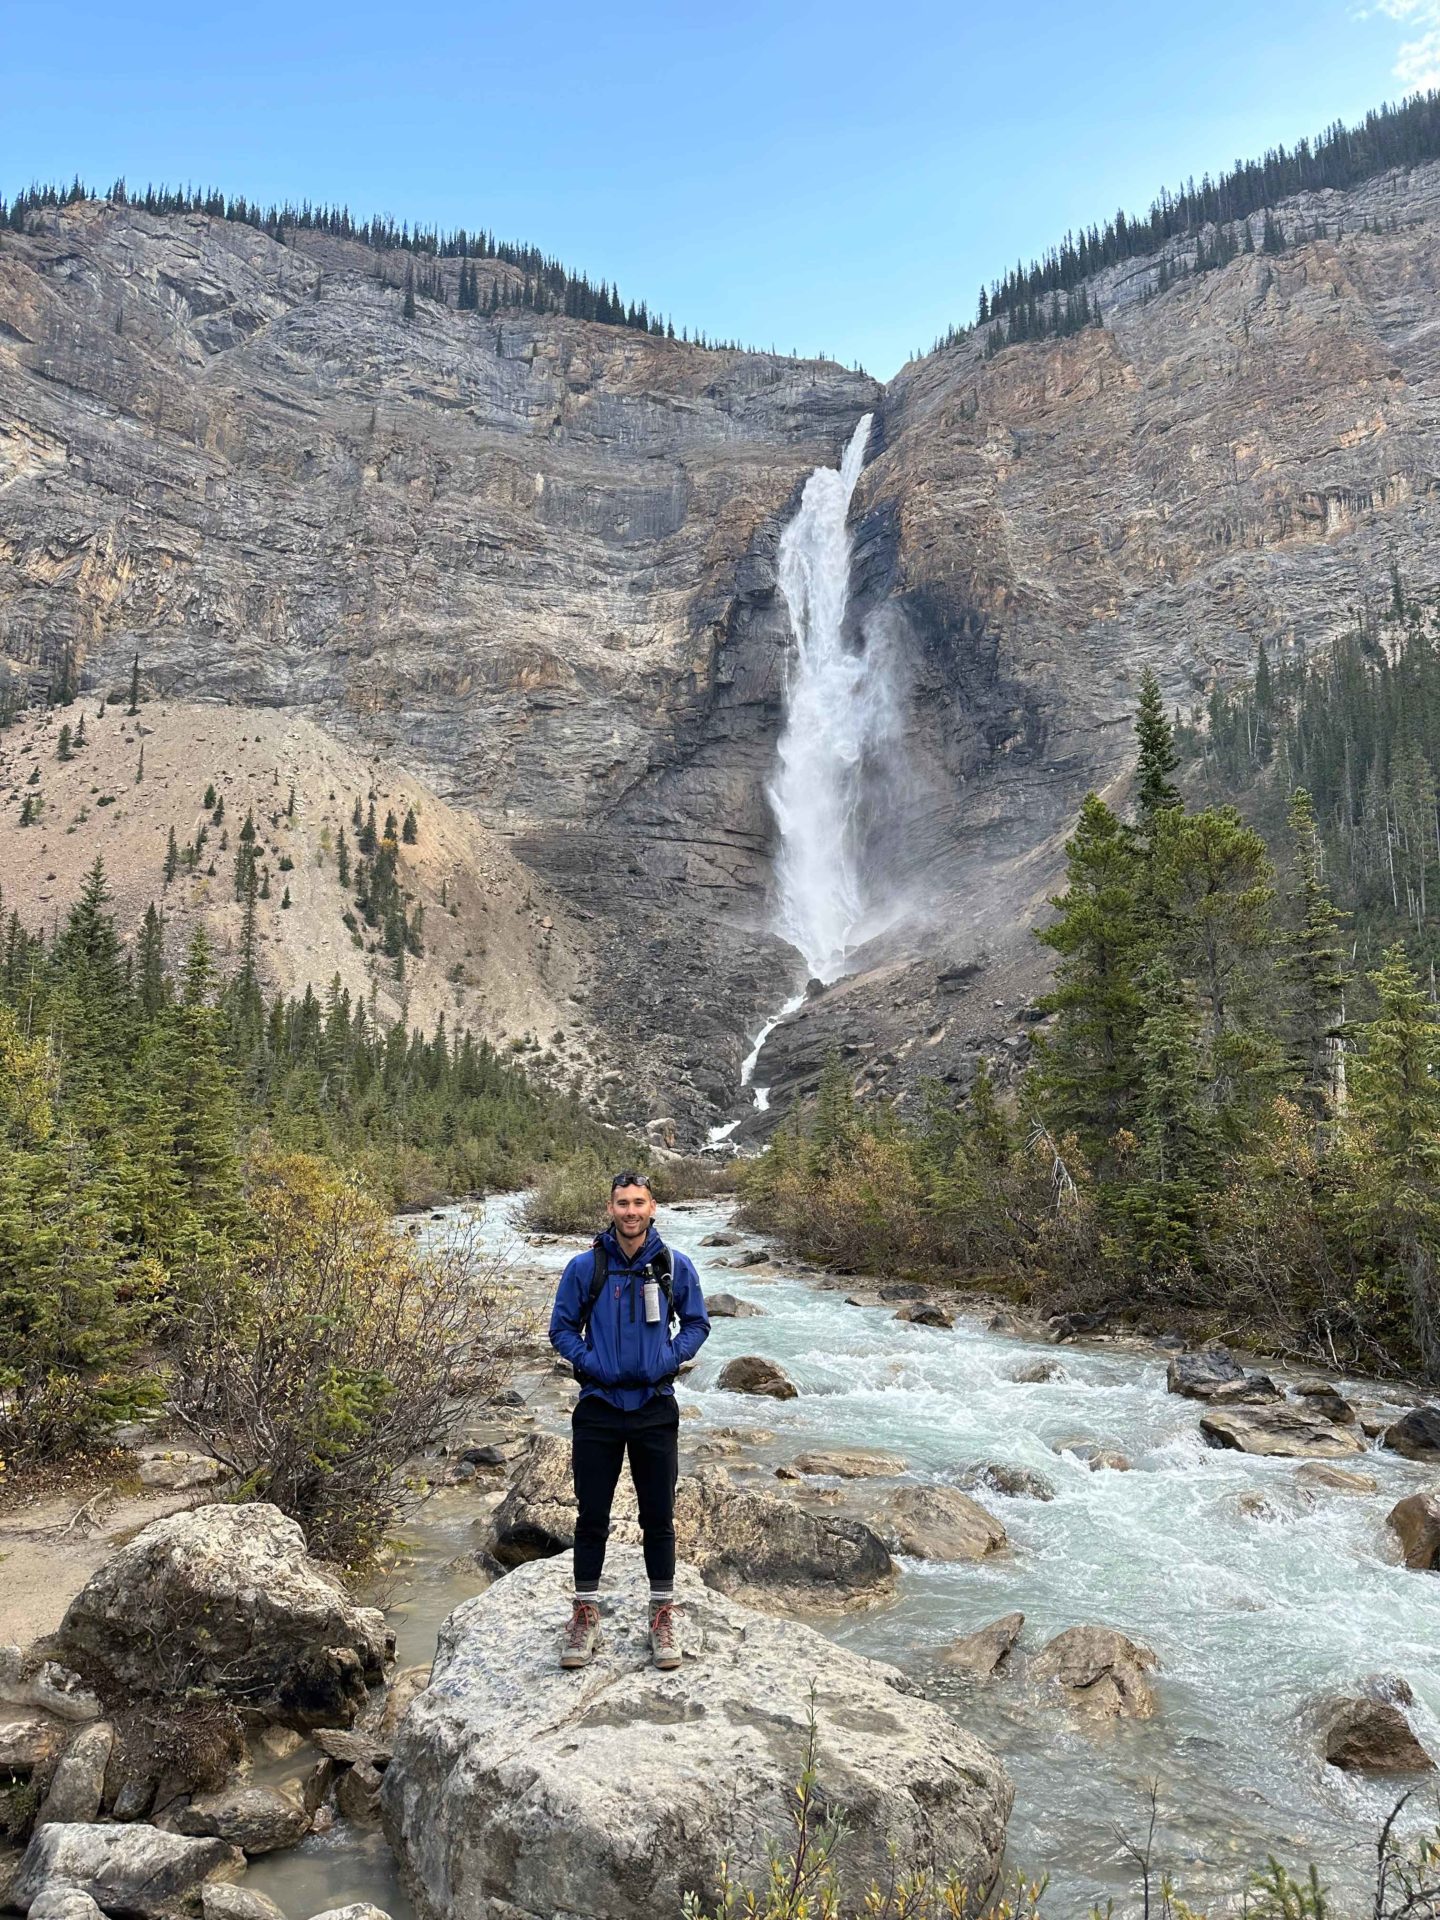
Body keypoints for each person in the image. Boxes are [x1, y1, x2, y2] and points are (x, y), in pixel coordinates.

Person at [547, 1170, 710, 1671]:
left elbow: (698, 1323)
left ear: (653, 1207)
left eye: (639, 1202)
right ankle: (584, 1614)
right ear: (611, 1208)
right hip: (598, 1406)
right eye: (623, 1203)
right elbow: (561, 1329)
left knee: (658, 1517)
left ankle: (662, 1613)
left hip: (654, 1406)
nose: (631, 1212)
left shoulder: (671, 1265)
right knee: (591, 1515)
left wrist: (666, 1361)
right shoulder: (584, 1267)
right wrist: (594, 1365)